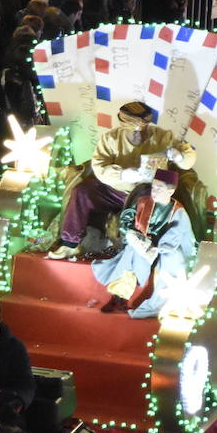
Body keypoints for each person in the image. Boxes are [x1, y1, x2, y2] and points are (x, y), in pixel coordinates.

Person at [48, 101, 196, 259]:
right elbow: (99, 166)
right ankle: (70, 244)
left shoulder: (162, 137)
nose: (138, 136)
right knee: (82, 191)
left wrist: (179, 156)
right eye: (133, 132)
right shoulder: (111, 138)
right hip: (113, 190)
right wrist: (122, 174)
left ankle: (142, 249)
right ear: (122, 127)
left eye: (142, 132)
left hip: (146, 193)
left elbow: (188, 157)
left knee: (150, 200)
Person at [91, 169, 197, 319]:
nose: (154, 192)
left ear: (170, 191)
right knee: (131, 254)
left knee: (173, 262)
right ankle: (119, 297)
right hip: (141, 244)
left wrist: (156, 249)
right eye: (153, 187)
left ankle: (155, 305)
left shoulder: (177, 211)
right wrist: (132, 235)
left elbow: (177, 234)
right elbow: (127, 219)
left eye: (159, 189)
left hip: (164, 248)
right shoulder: (143, 202)